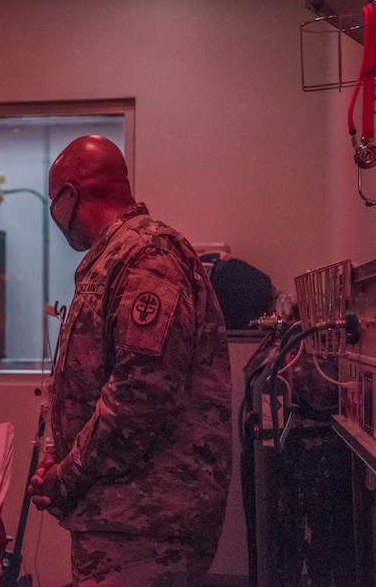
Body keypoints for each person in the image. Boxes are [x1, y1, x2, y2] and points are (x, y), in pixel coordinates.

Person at [28, 135, 233, 586]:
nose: (55, 216)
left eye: (52, 202)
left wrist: (68, 475)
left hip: (148, 523)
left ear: (70, 196)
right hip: (120, 515)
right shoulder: (113, 258)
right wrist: (56, 459)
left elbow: (138, 395)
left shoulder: (148, 254)